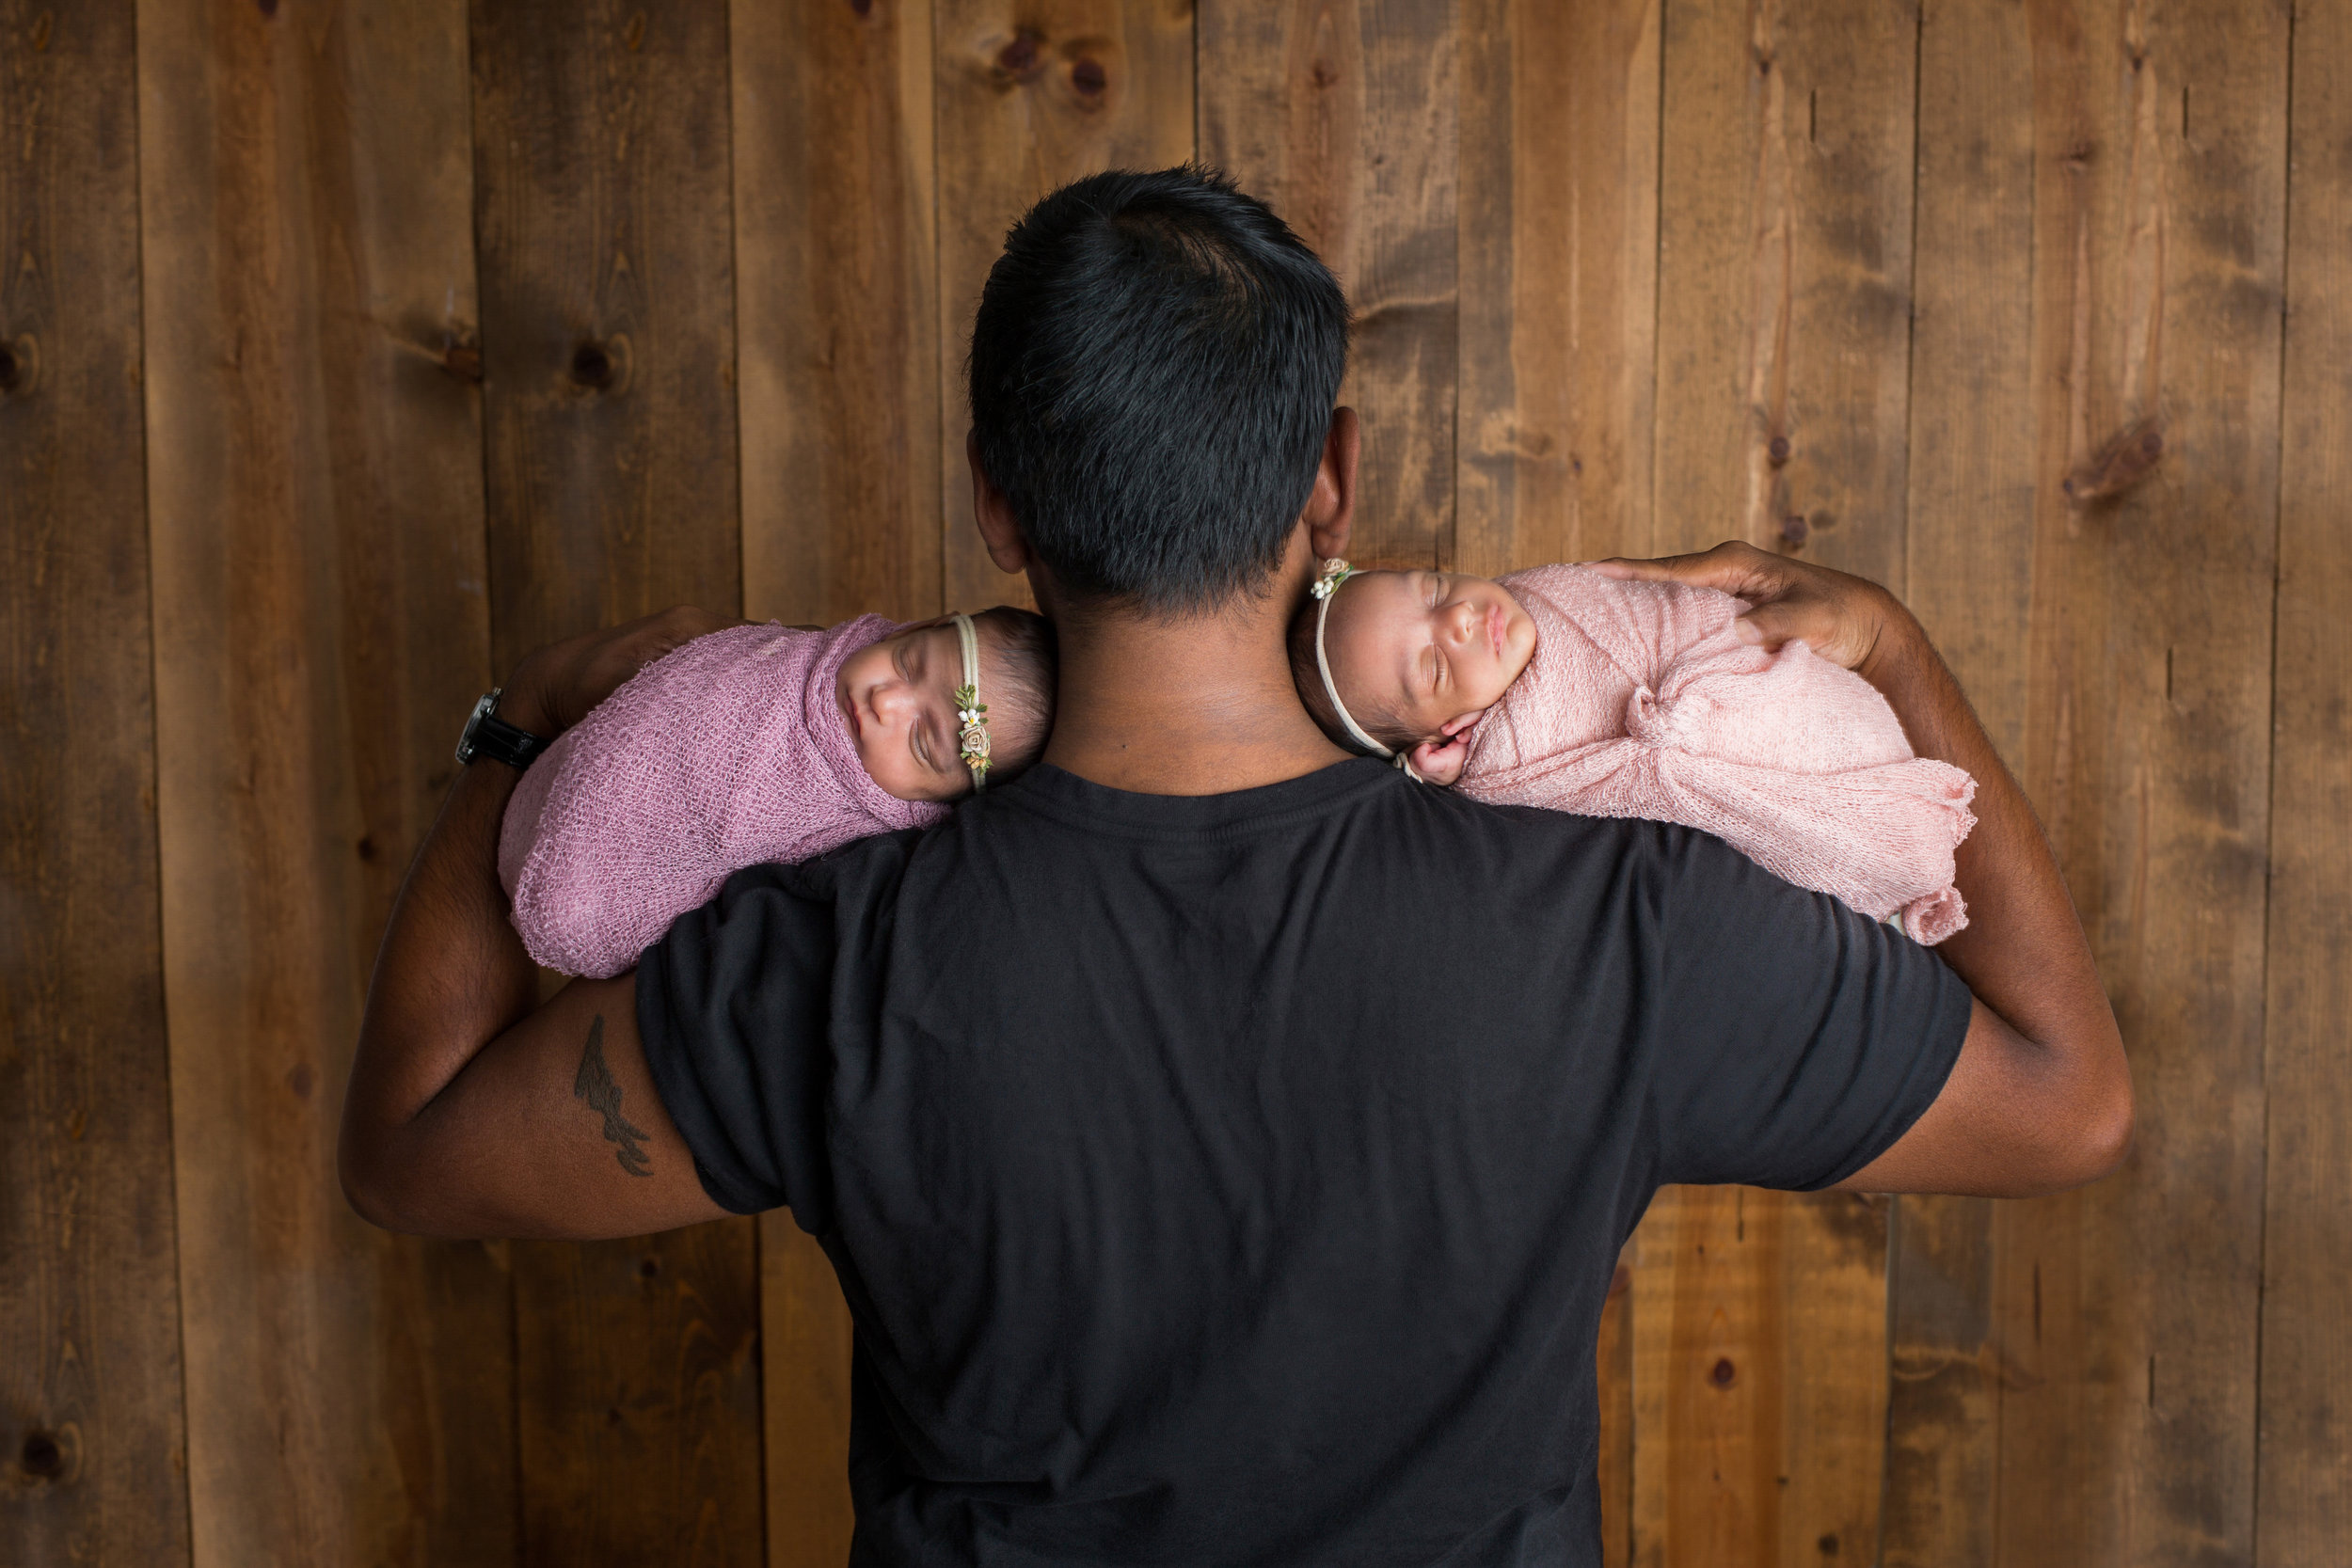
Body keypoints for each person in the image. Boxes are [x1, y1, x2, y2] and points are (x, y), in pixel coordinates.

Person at [341, 166, 2130, 1566]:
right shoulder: (1625, 922)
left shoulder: (824, 959)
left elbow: (410, 1153)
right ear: (1332, 482)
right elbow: (2070, 1103)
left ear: (999, 505)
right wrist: (1892, 650)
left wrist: (521, 737)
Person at [1289, 558, 1976, 942]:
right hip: (1712, 748)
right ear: (1444, 734)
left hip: (1776, 687)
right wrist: (1466, 772)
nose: (1462, 618)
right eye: (1437, 665)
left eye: (1434, 591)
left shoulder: (1545, 589)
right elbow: (1590, 789)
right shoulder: (1505, 764)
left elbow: (1669, 610)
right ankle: (1884, 842)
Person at [499, 606, 1055, 977]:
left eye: (922, 741)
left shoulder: (861, 831)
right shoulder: (812, 653)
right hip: (571, 769)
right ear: (914, 628)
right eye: (908, 664)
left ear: (943, 799)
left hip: (603, 873)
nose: (888, 702)